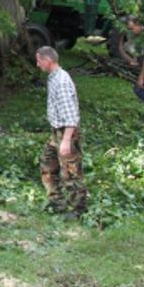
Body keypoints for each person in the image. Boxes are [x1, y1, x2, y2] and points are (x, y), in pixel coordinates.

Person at [34, 46, 86, 217]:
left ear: (47, 61)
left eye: (39, 60)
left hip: (67, 132)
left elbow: (71, 114)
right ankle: (57, 202)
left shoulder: (62, 81)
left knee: (71, 172)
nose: (37, 64)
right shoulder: (53, 77)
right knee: (47, 162)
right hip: (57, 131)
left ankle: (79, 210)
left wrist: (65, 140)